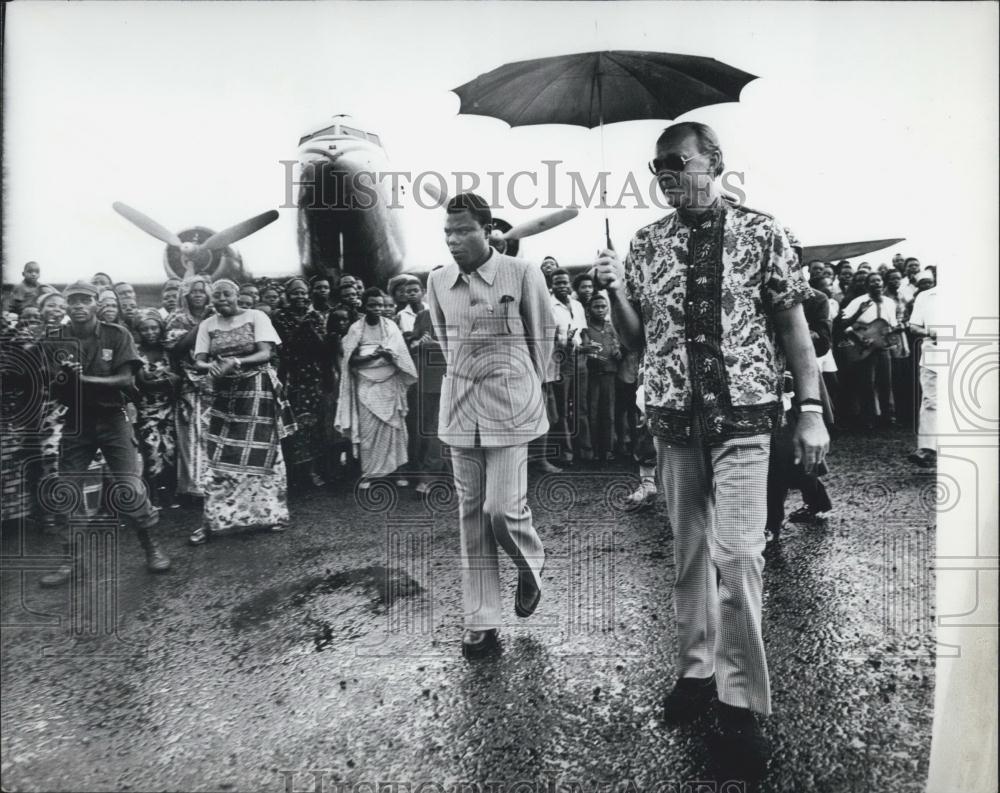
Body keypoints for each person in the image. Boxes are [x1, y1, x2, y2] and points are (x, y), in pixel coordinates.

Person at [595, 121, 827, 776]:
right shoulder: (644, 243)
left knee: (738, 556)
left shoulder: (763, 233)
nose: (666, 174)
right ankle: (696, 672)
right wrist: (614, 289)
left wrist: (811, 412)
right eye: (656, 167)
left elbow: (794, 331)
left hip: (747, 420)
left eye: (678, 162)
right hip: (672, 420)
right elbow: (634, 341)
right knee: (691, 555)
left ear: (715, 161)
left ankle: (739, 701)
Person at [426, 192, 554, 658]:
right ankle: (481, 620)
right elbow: (444, 341)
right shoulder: (438, 280)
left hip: (511, 406)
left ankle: (530, 562)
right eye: (448, 233)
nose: (454, 241)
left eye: (463, 231)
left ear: (487, 230)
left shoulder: (521, 273)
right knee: (471, 517)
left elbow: (543, 335)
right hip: (460, 408)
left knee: (501, 510)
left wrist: (530, 388)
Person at [36, 281, 171, 587]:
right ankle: (70, 561)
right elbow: (53, 385)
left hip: (113, 417)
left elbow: (125, 380)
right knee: (66, 490)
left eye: (85, 300)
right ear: (67, 307)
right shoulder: (56, 338)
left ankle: (151, 548)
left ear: (96, 303)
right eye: (73, 301)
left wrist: (82, 378)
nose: (78, 306)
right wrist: (64, 377)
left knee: (129, 486)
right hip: (77, 420)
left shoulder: (117, 334)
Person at [189, 279, 296, 544]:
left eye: (227, 293)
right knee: (220, 454)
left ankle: (273, 515)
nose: (221, 299)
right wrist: (212, 366)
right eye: (216, 296)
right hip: (225, 394)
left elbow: (265, 353)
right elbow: (198, 359)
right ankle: (214, 521)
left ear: (237, 295)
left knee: (263, 453)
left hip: (258, 390)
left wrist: (235, 361)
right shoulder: (208, 324)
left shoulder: (256, 316)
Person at [335, 288, 417, 489]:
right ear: (364, 306)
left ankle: (398, 471)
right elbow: (350, 360)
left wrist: (387, 354)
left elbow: (399, 354)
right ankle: (370, 474)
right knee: (368, 431)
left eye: (380, 304)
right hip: (366, 386)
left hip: (390, 384)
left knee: (395, 430)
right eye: (373, 305)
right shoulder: (356, 328)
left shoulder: (391, 327)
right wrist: (373, 356)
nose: (378, 308)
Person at [271, 277, 332, 490]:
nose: (300, 296)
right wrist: (301, 329)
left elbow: (323, 347)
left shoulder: (315, 316)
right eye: (295, 293)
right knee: (293, 424)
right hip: (291, 376)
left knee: (314, 423)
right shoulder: (280, 316)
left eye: (303, 293)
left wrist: (310, 329)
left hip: (313, 376)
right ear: (288, 295)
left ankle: (315, 469)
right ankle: (296, 472)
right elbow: (285, 346)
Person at [165, 275, 213, 501]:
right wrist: (203, 325)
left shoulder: (216, 314)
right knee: (190, 433)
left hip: (213, 380)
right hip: (188, 382)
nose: (197, 295)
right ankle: (191, 486)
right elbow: (177, 346)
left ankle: (211, 483)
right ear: (185, 294)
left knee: (210, 432)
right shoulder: (178, 317)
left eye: (201, 291)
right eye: (193, 291)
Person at [839, 272, 901, 430]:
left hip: (882, 347)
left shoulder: (889, 303)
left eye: (879, 281)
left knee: (886, 383)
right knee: (867, 384)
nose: (877, 284)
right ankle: (868, 419)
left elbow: (892, 326)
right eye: (872, 282)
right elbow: (843, 324)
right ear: (867, 286)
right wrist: (859, 338)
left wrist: (895, 332)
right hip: (863, 348)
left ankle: (887, 417)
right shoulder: (857, 302)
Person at [134, 310, 180, 509]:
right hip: (146, 409)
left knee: (170, 449)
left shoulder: (168, 351)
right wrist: (166, 378)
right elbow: (143, 383)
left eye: (154, 328)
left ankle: (169, 493)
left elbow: (179, 379)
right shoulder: (135, 352)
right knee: (151, 450)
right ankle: (153, 495)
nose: (150, 332)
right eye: (145, 328)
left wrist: (162, 379)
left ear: (161, 329)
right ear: (138, 331)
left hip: (168, 407)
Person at [549, 268, 589, 467]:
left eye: (565, 282)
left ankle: (584, 451)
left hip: (580, 358)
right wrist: (564, 341)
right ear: (552, 285)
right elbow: (550, 335)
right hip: (561, 359)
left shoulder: (577, 305)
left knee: (581, 406)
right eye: (558, 283)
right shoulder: (548, 306)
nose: (562, 286)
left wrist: (586, 346)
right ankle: (567, 453)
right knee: (563, 409)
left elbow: (583, 331)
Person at [584, 293, 622, 464]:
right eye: (596, 307)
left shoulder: (610, 327)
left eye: (603, 306)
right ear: (589, 309)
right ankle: (592, 449)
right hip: (591, 375)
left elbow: (618, 348)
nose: (600, 310)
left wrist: (617, 351)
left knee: (608, 413)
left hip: (609, 374)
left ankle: (608, 449)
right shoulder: (586, 328)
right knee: (592, 413)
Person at [907, 271, 939, 467]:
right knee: (932, 401)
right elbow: (913, 327)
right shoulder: (926, 296)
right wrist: (930, 331)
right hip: (935, 353)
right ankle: (927, 450)